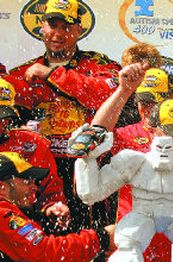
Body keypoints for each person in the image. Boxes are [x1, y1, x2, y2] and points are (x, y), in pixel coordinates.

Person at [3, 0, 121, 230]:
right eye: (52, 25)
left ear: (79, 30)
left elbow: (108, 94)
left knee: (91, 238)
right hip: (38, 173)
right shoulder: (23, 72)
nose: (58, 34)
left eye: (66, 27)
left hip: (85, 167)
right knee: (39, 240)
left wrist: (51, 75)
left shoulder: (99, 64)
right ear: (42, 28)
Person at [0, 152, 115, 262]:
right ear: (2, 186)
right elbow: (44, 251)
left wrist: (44, 218)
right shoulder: (3, 215)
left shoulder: (17, 216)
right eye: (26, 181)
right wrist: (101, 238)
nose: (35, 187)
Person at [0, 79, 69, 233]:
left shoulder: (32, 143)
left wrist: (53, 207)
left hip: (23, 228)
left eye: (4, 117)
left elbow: (51, 190)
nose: (2, 123)